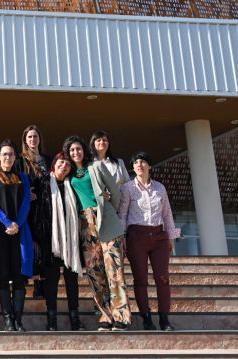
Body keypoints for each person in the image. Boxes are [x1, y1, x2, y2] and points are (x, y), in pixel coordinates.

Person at [64, 135, 131, 331]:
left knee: (114, 270)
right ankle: (105, 315)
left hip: (106, 220)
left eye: (78, 149)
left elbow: (116, 193)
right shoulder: (69, 175)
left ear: (84, 150)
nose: (75, 153)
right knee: (94, 273)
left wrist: (108, 208)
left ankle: (121, 316)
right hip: (85, 225)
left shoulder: (96, 167)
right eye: (71, 150)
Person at [119, 151, 180, 332]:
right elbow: (122, 214)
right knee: (140, 280)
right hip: (136, 237)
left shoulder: (160, 188)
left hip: (159, 237)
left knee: (163, 278)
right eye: (136, 162)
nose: (139, 165)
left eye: (143, 162)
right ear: (133, 167)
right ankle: (146, 318)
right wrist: (122, 237)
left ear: (149, 166)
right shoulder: (127, 188)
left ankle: (164, 319)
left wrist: (171, 237)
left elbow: (167, 214)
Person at [30, 152, 84, 331]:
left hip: (71, 239)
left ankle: (74, 318)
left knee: (71, 280)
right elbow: (34, 209)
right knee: (51, 281)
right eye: (61, 162)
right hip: (49, 240)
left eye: (68, 164)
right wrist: (37, 236)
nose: (65, 166)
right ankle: (51, 319)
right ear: (54, 164)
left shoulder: (73, 184)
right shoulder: (42, 182)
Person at [0, 139, 33, 332]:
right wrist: (6, 222)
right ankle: (8, 319)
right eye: (4, 154)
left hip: (19, 231)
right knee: (3, 274)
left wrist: (16, 223)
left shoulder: (23, 177)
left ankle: (18, 320)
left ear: (15, 157)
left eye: (11, 154)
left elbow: (26, 202)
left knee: (19, 275)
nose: (7, 157)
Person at [18, 124, 51, 300]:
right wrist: (24, 193)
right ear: (25, 140)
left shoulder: (47, 159)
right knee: (29, 245)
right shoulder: (20, 160)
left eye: (35, 136)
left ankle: (40, 286)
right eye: (29, 137)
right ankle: (24, 282)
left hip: (45, 209)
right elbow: (14, 182)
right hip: (27, 210)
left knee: (43, 246)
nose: (32, 140)